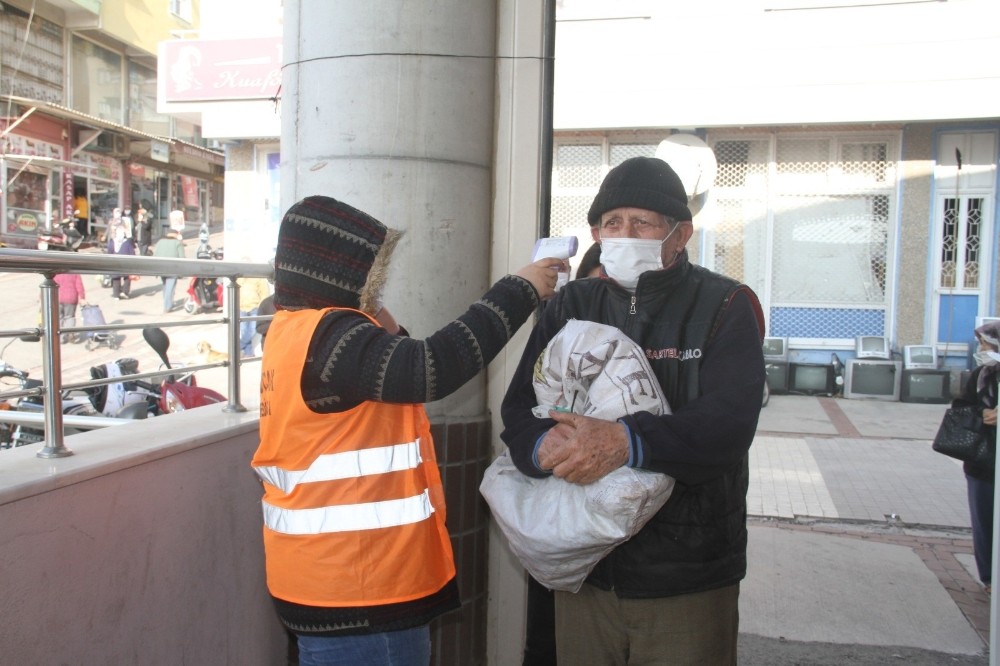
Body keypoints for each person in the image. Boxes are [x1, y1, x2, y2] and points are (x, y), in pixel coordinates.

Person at [250, 195, 563, 665]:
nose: (374, 279)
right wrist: (521, 288)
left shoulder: (294, 330)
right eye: (368, 270)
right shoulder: (332, 335)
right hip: (362, 591)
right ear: (334, 269)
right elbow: (431, 366)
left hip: (324, 581)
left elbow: (395, 359)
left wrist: (373, 308)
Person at [501, 156, 766, 665]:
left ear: (680, 233)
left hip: (685, 572)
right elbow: (519, 409)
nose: (624, 234)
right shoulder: (568, 304)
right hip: (585, 564)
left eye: (642, 222)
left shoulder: (725, 304)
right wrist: (542, 446)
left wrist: (625, 441)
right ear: (595, 231)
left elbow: (729, 425)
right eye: (612, 223)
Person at [955, 321, 1000, 594]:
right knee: (984, 522)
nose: (981, 350)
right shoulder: (980, 376)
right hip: (981, 464)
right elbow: (960, 408)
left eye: (986, 344)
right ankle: (989, 579)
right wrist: (980, 416)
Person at [237, 274, 271, 357]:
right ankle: (249, 353)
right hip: (242, 308)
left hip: (254, 308)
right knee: (244, 331)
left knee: (253, 330)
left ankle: (237, 347)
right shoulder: (239, 279)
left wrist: (261, 306)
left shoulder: (258, 278)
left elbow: (264, 292)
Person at [153, 229, 186, 312]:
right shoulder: (177, 243)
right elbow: (182, 258)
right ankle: (167, 306)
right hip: (172, 269)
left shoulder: (160, 242)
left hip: (160, 268)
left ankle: (167, 302)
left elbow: (155, 254)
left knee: (165, 285)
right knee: (170, 287)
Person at [53, 272, 86, 344]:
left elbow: (51, 283)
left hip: (57, 298)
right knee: (69, 317)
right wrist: (82, 297)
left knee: (59, 318)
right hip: (71, 298)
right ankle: (70, 332)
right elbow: (79, 285)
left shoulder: (56, 272)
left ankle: (61, 338)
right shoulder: (74, 272)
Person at [107, 226, 137, 300]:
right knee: (127, 278)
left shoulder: (112, 242)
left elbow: (109, 251)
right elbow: (132, 253)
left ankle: (116, 295)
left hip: (114, 263)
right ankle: (124, 292)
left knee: (116, 279)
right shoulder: (127, 242)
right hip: (125, 263)